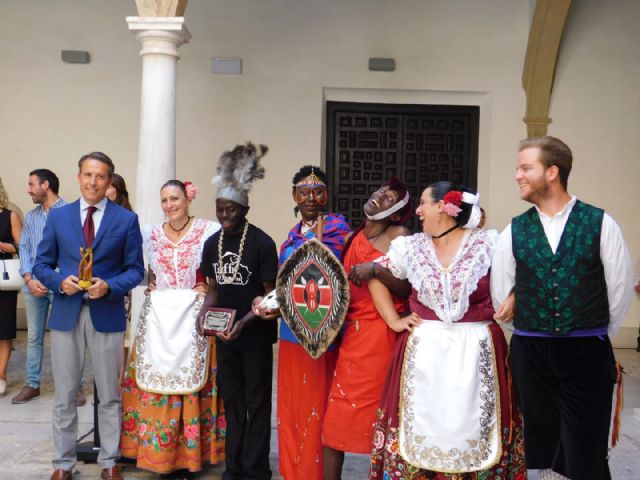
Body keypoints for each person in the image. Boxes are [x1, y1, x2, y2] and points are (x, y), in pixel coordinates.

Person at [491, 136, 633, 480]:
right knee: (543, 445)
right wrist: (528, 325)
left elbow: (619, 289)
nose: (517, 175)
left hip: (585, 349)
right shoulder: (516, 229)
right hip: (531, 351)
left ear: (552, 172)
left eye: (526, 167)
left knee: (586, 447)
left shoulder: (600, 223)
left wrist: (591, 328)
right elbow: (502, 291)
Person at [369, 181, 526, 480]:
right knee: (423, 427)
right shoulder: (410, 247)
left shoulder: (488, 244)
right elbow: (376, 276)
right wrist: (394, 320)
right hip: (424, 353)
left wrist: (513, 297)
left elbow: (524, 275)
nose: (417, 211)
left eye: (424, 203)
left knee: (476, 428)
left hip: (477, 350)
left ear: (443, 206)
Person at [33, 152, 144, 480]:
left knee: (109, 393)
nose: (93, 182)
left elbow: (136, 271)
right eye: (87, 175)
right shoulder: (59, 217)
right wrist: (58, 281)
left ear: (109, 181)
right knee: (65, 394)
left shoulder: (125, 220)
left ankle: (110, 461)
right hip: (66, 314)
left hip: (106, 315)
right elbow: (41, 264)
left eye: (100, 176)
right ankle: (63, 465)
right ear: (78, 177)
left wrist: (109, 286)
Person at [120, 180, 224, 479]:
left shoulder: (208, 230)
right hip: (160, 320)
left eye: (175, 198)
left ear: (187, 200)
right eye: (164, 200)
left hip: (193, 319)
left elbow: (216, 268)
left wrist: (209, 286)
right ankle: (159, 455)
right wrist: (151, 282)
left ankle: (190, 457)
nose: (169, 205)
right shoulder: (150, 234)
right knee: (157, 381)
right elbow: (145, 270)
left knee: (193, 383)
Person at [321, 177, 413, 479]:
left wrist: (376, 270)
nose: (378, 197)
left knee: (383, 422)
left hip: (384, 336)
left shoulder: (400, 235)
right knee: (334, 424)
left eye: (388, 199)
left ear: (397, 214)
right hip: (353, 337)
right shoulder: (352, 238)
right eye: (379, 192)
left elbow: (408, 287)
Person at [199, 142, 279, 479]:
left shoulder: (262, 243)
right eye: (220, 209)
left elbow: (271, 296)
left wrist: (245, 322)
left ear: (245, 210)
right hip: (224, 336)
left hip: (255, 337)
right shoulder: (211, 244)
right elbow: (213, 289)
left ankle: (256, 468)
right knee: (231, 401)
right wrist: (203, 317)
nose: (225, 216)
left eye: (231, 210)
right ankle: (234, 467)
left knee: (256, 402)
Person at [270, 165, 351, 480]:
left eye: (318, 191)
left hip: (323, 335)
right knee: (292, 410)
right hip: (291, 334)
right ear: (294, 195)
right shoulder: (291, 237)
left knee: (320, 409)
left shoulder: (339, 233)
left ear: (327, 195)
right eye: (304, 192)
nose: (311, 198)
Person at [12, 170, 67, 405]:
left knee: (65, 338)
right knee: (34, 337)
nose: (28, 189)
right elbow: (23, 247)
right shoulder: (32, 217)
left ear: (46, 185)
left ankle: (69, 387)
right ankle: (32, 385)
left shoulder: (70, 213)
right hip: (33, 285)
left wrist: (58, 280)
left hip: (62, 285)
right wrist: (28, 278)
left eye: (31, 184)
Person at [0, 177, 23, 398]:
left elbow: (21, 246)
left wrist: (1, 245)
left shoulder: (10, 216)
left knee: (4, 330)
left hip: (3, 279)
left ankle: (1, 376)